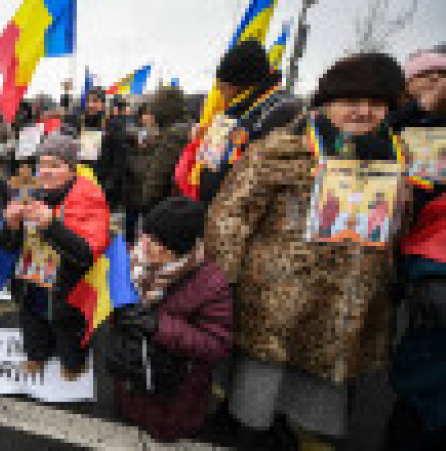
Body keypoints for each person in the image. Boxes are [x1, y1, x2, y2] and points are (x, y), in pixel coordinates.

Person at [205, 53, 408, 449]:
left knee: (315, 403)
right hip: (276, 300)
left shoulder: (398, 158)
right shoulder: (284, 149)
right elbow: (230, 216)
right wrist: (222, 282)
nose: (363, 112)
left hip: (344, 305)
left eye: (376, 103)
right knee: (259, 394)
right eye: (352, 101)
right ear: (327, 102)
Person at [108, 197, 233, 443]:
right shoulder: (133, 261)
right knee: (127, 412)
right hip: (131, 377)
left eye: (158, 243)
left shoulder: (211, 283)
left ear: (181, 249)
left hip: (174, 394)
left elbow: (216, 345)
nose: (145, 245)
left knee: (163, 432)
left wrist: (158, 325)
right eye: (146, 235)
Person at [0, 133, 110, 380]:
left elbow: (85, 254)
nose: (45, 172)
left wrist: (52, 225)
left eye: (55, 165)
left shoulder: (90, 197)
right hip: (31, 280)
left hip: (69, 290)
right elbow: (7, 247)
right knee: (33, 318)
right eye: (42, 164)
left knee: (68, 327)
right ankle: (37, 354)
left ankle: (72, 362)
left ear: (72, 169)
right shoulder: (30, 195)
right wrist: (10, 225)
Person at [385, 46, 446, 451]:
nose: (432, 84)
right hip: (404, 246)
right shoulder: (399, 119)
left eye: (438, 76)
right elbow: (369, 145)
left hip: (432, 253)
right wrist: (416, 110)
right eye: (423, 77)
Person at [177, 38, 302, 207]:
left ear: (241, 84)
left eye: (223, 87)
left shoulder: (280, 111)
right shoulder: (234, 111)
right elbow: (211, 161)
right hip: (215, 210)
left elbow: (259, 173)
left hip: (244, 213)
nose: (220, 93)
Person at [123, 87, 191, 243]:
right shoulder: (186, 129)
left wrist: (145, 203)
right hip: (176, 204)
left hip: (162, 207)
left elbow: (158, 174)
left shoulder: (173, 135)